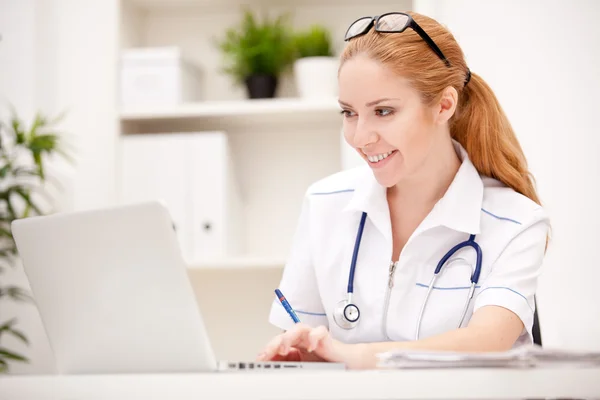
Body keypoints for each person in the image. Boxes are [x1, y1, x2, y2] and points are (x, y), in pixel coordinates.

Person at [257, 11, 550, 370]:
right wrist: (301, 353)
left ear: (444, 105)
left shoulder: (516, 221)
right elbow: (307, 342)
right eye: (349, 113)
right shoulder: (324, 204)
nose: (360, 137)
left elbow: (487, 342)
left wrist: (354, 356)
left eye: (383, 111)